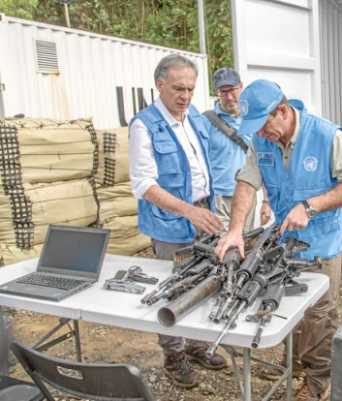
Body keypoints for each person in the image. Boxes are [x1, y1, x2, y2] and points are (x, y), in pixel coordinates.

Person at [215, 79, 342, 401]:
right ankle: (293, 364)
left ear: (282, 110)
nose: (259, 134)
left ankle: (317, 381)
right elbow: (246, 181)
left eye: (262, 125)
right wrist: (235, 230)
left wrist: (311, 206)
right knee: (284, 305)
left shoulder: (327, 136)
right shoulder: (263, 141)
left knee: (319, 315)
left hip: (320, 244)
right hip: (284, 245)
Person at [128, 54, 227, 388]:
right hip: (172, 221)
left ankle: (198, 345)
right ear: (160, 85)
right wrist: (188, 210)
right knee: (172, 289)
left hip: (204, 213)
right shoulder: (144, 125)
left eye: (191, 88)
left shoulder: (193, 116)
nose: (185, 96)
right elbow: (144, 185)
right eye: (178, 88)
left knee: (206, 280)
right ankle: (174, 356)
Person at [203, 67, 271, 230]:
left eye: (232, 90)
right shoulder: (206, 121)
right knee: (223, 246)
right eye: (223, 92)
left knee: (244, 243)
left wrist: (267, 201)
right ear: (217, 92)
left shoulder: (254, 120)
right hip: (219, 198)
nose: (228, 97)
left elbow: (266, 160)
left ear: (241, 87)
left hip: (247, 194)